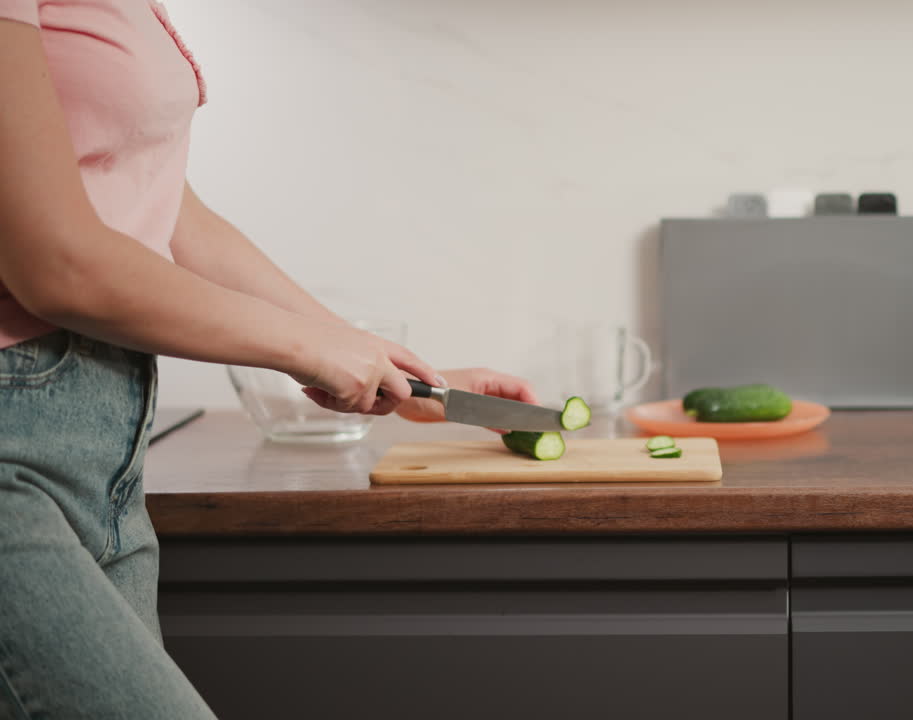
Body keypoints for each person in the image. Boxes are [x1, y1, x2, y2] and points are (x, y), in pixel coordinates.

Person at [0, 2, 537, 717]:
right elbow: (58, 264)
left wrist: (389, 371)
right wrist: (309, 349)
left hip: (106, 449)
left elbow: (164, 209)